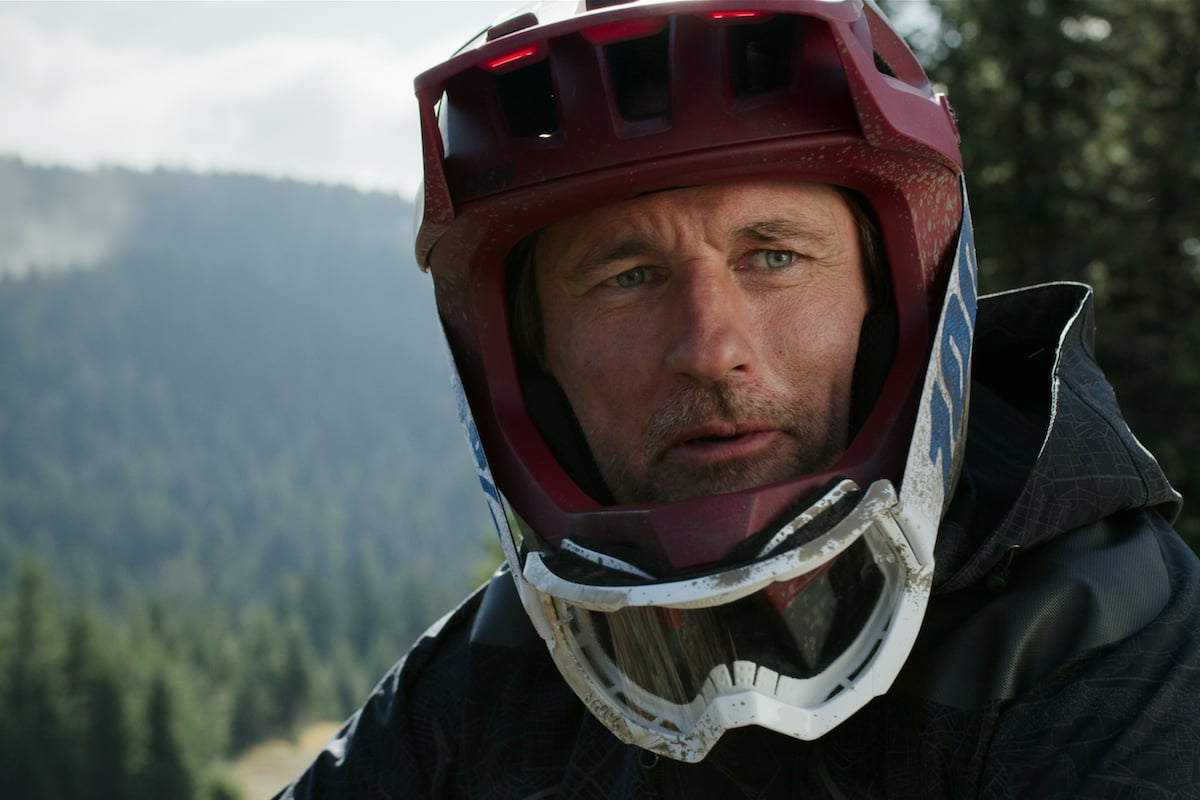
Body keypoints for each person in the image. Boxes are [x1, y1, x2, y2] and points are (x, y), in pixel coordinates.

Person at [276, 1, 1200, 797]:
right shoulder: (499, 671)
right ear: (531, 358)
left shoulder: (1108, 641)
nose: (710, 352)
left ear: (897, 309)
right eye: (628, 276)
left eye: (774, 257)